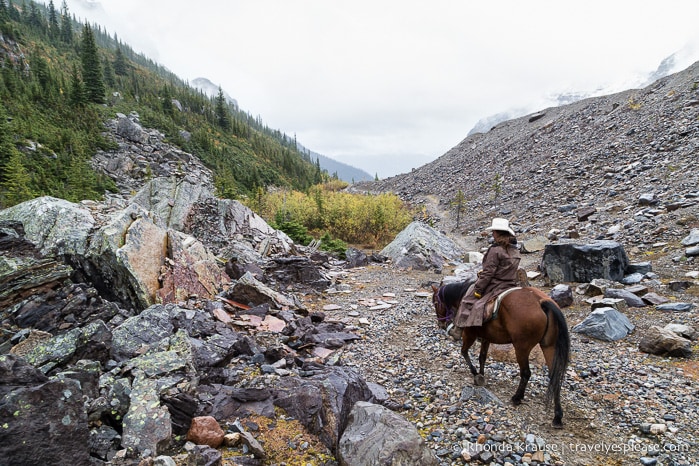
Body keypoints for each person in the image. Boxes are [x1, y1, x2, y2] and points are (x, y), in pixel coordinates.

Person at [454, 218, 521, 327]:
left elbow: (489, 273)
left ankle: (461, 328)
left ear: (498, 233)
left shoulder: (495, 250)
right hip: (511, 284)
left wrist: (479, 289)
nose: (492, 234)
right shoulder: (515, 250)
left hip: (496, 285)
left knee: (468, 300)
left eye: (493, 232)